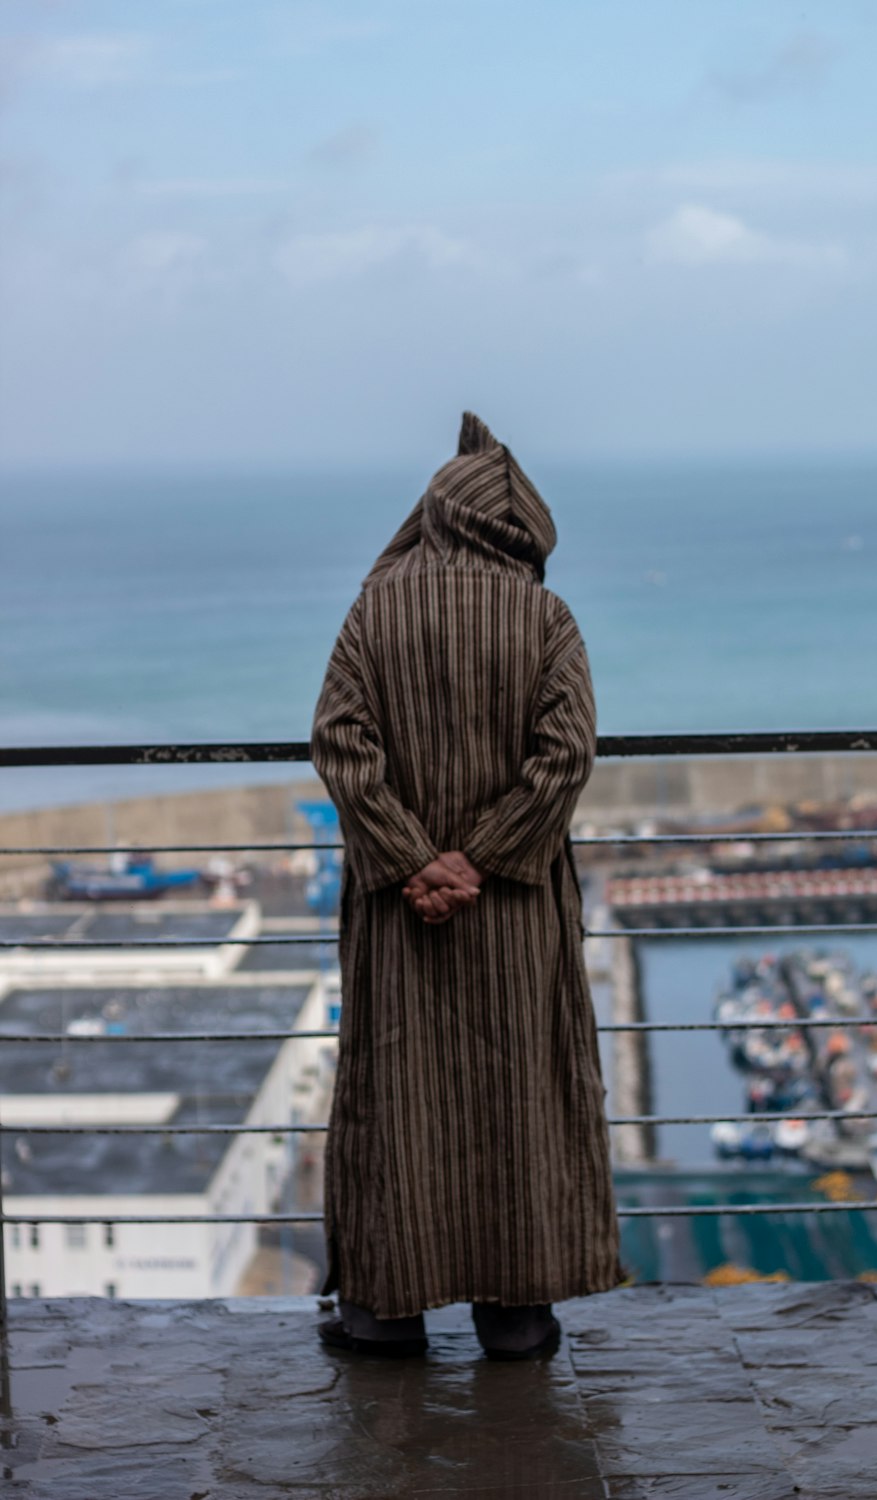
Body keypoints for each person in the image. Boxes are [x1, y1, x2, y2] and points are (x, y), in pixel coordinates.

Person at [310, 412, 621, 1359]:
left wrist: (413, 860)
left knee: (395, 1094)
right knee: (522, 1094)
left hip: (403, 916)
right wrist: (484, 858)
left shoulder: (376, 607)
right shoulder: (545, 617)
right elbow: (566, 756)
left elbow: (339, 741)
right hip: (516, 913)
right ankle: (517, 1314)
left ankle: (383, 1313)